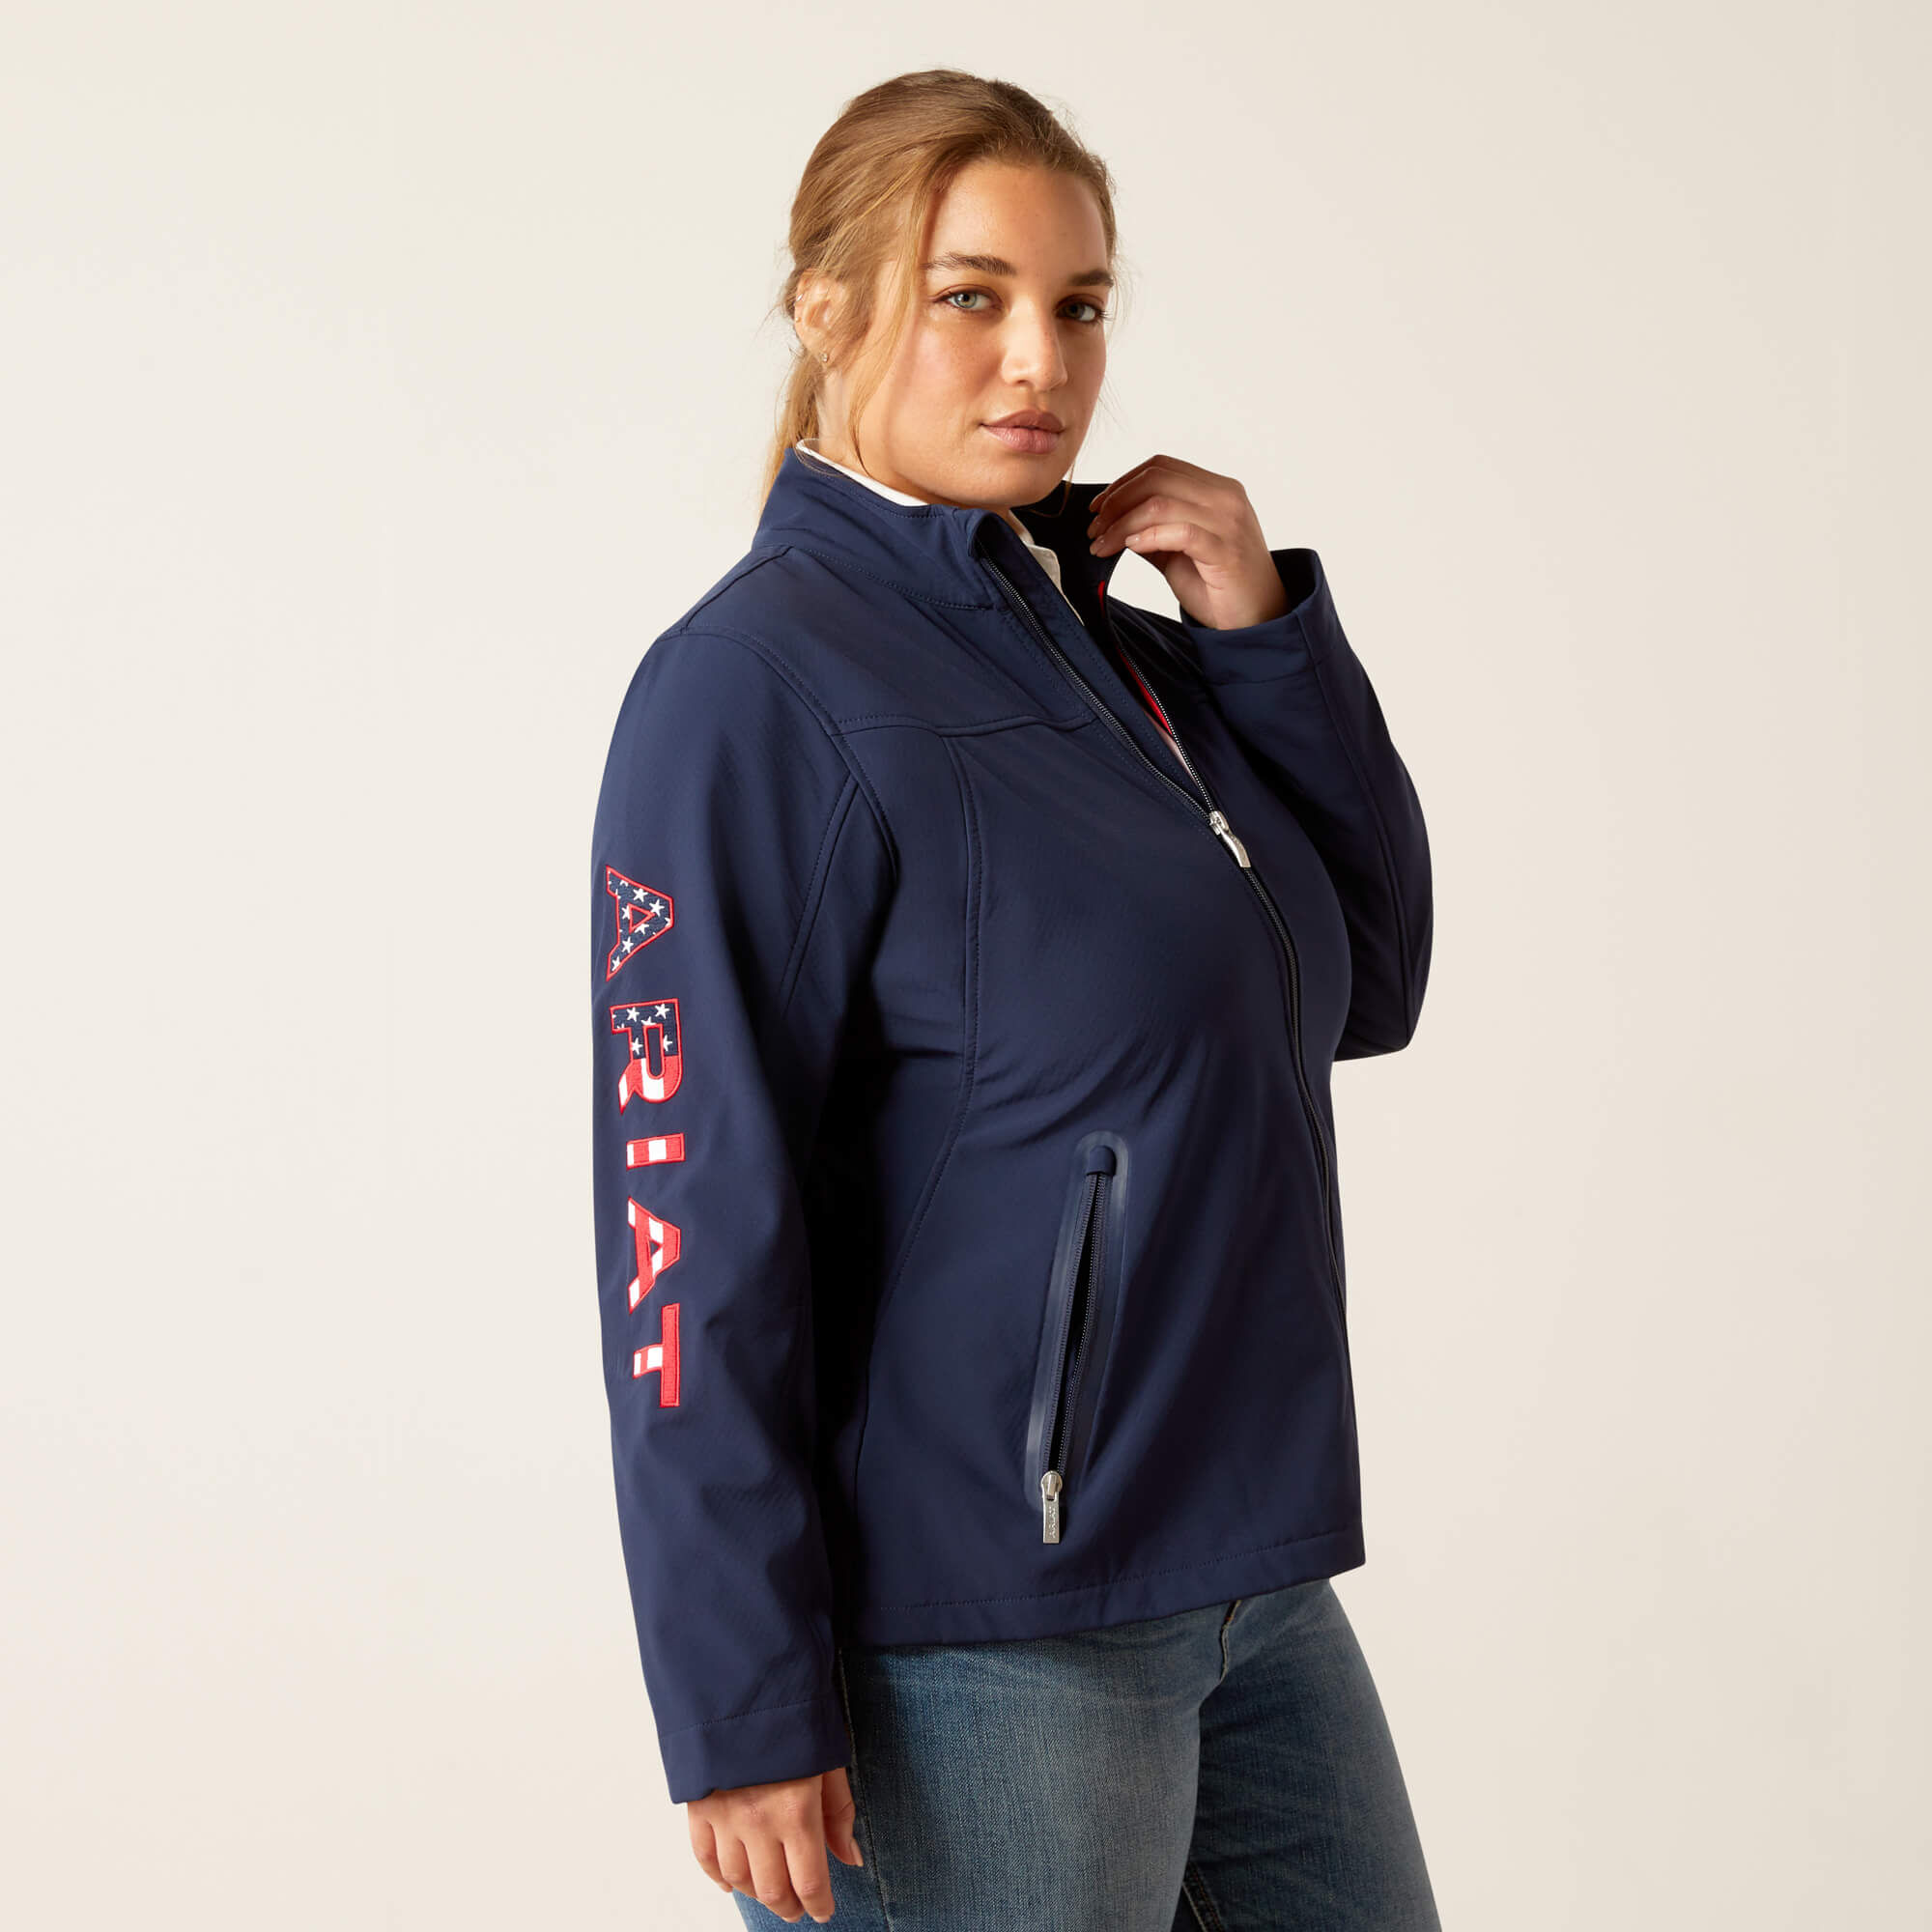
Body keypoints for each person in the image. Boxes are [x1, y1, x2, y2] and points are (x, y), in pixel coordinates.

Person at [588, 68, 1440, 1931]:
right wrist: (740, 1696)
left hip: (1250, 1583)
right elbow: (683, 1229)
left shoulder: (1122, 662)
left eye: (1080, 303)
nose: (1040, 360)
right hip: (980, 1633)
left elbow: (1365, 982)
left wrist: (1262, 635)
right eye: (970, 295)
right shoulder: (752, 690)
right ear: (827, 309)